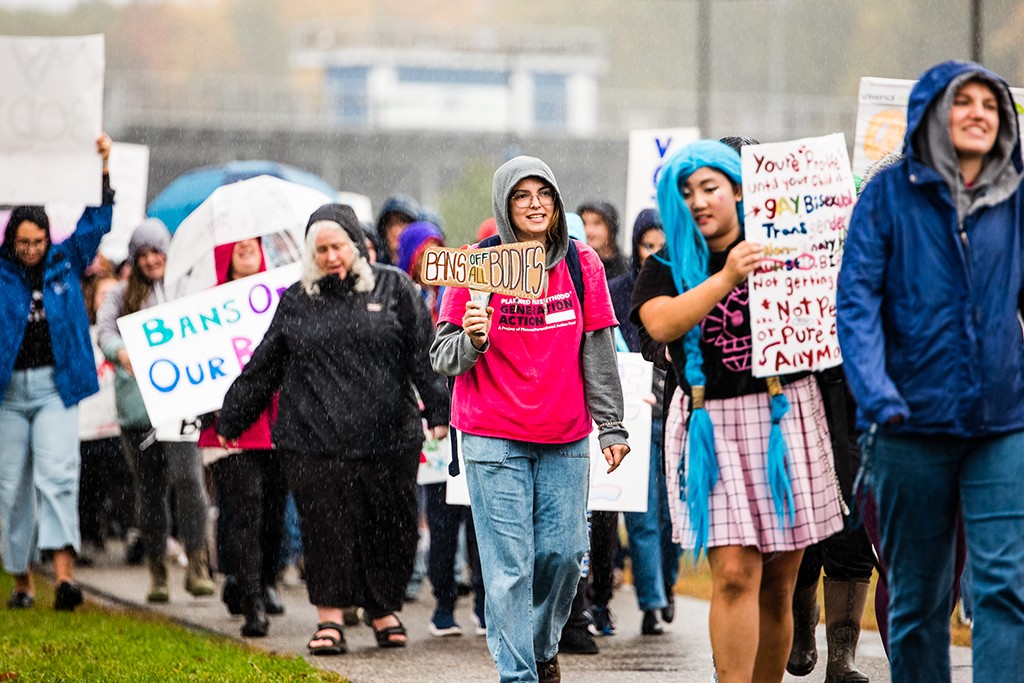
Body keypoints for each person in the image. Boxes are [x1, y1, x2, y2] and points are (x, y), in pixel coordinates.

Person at [837, 60, 1024, 683]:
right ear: (930, 116)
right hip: (906, 422)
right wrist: (876, 393)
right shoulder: (884, 199)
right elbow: (857, 303)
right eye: (960, 101)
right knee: (918, 592)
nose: (976, 112)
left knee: (1002, 586)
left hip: (999, 424)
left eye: (989, 103)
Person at [631, 139, 844, 683]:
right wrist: (727, 275)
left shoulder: (782, 247)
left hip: (784, 415)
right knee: (732, 572)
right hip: (710, 424)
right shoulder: (666, 264)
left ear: (738, 188)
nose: (699, 200)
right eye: (686, 191)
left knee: (780, 580)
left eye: (710, 187)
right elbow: (662, 325)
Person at [216, 203, 449, 656]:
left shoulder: (395, 287)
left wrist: (439, 410)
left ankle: (383, 610)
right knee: (327, 529)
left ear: (357, 245)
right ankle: (330, 618)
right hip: (313, 438)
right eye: (319, 249)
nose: (329, 256)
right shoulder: (298, 300)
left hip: (389, 438)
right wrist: (234, 416)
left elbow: (423, 355)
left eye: (337, 246)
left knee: (392, 526)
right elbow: (265, 365)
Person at [431, 156, 630, 683]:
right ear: (504, 205)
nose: (536, 204)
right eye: (522, 195)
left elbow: (599, 350)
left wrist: (611, 424)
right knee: (508, 569)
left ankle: (541, 648)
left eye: (545, 193)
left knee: (564, 558)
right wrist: (472, 338)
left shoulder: (582, 264)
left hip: (564, 434)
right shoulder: (476, 266)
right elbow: (442, 356)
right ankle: (517, 674)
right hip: (490, 434)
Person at [0, 132, 113, 611]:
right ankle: (22, 580)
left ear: (49, 238)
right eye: (23, 242)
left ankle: (65, 578)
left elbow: (99, 219)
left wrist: (103, 169)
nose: (31, 249)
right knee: (10, 485)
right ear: (11, 241)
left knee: (59, 476)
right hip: (7, 393)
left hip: (56, 388)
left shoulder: (67, 263)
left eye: (38, 241)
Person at [96, 217, 215, 603]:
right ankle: (158, 571)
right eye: (143, 253)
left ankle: (197, 564)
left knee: (189, 482)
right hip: (139, 411)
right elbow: (106, 331)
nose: (151, 260)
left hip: (179, 405)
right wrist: (120, 352)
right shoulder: (120, 295)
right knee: (149, 493)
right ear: (135, 258)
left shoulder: (184, 289)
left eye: (157, 251)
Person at [197, 238, 287, 638]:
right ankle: (252, 600)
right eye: (239, 243)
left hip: (279, 423)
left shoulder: (283, 298)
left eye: (255, 240)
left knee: (273, 513)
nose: (248, 246)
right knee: (244, 511)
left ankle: (263, 580)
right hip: (232, 424)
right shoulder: (205, 309)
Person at [607, 208, 680, 637]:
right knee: (643, 515)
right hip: (634, 411)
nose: (653, 253)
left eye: (660, 245)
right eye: (646, 245)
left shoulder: (685, 285)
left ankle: (667, 586)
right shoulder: (619, 290)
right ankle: (651, 602)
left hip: (673, 411)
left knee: (672, 514)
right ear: (635, 248)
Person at [578, 200, 628, 280]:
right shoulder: (573, 268)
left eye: (597, 223)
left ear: (611, 228)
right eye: (584, 223)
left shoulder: (627, 270)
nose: (588, 231)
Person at [374, 194, 421, 266]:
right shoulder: (375, 264)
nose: (395, 230)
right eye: (391, 224)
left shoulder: (421, 267)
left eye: (402, 224)